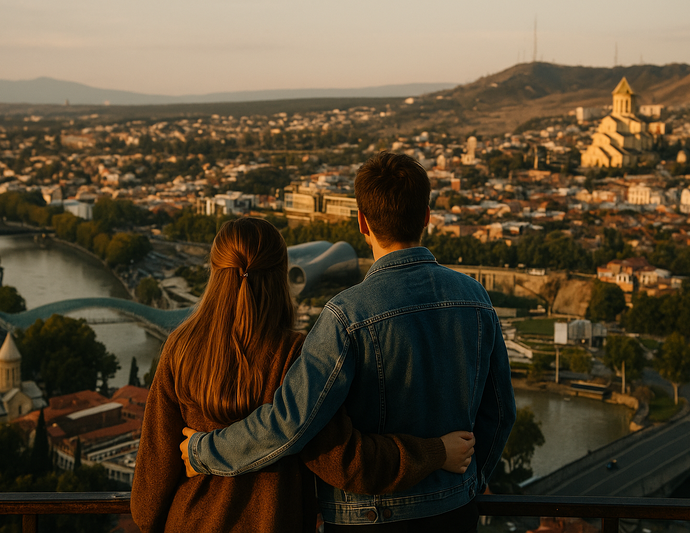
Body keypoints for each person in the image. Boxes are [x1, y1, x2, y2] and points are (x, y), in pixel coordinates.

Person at [183, 153, 517, 532]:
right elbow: (501, 413)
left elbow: (290, 422)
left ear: (362, 221)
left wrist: (204, 451)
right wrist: (469, 483)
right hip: (454, 512)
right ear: (427, 216)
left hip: (368, 519)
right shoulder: (476, 298)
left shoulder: (346, 315)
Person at [131, 217, 476, 533]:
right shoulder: (297, 355)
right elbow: (345, 462)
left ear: (214, 271)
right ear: (282, 275)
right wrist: (434, 452)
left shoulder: (180, 347)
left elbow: (148, 494)